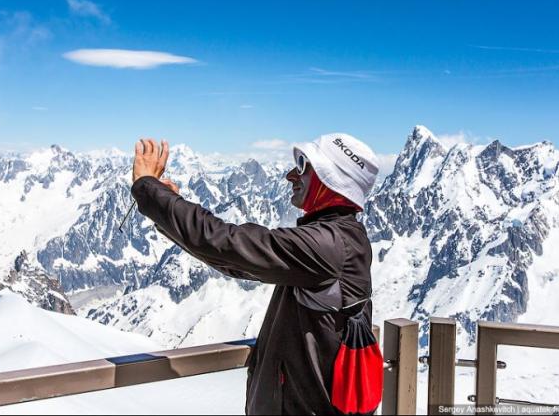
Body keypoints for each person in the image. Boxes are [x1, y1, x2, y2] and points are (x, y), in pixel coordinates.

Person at [131, 133, 382, 415]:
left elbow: (226, 243)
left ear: (331, 180)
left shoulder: (327, 246)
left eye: (303, 165)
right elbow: (232, 259)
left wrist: (149, 189)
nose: (291, 175)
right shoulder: (343, 239)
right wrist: (167, 209)